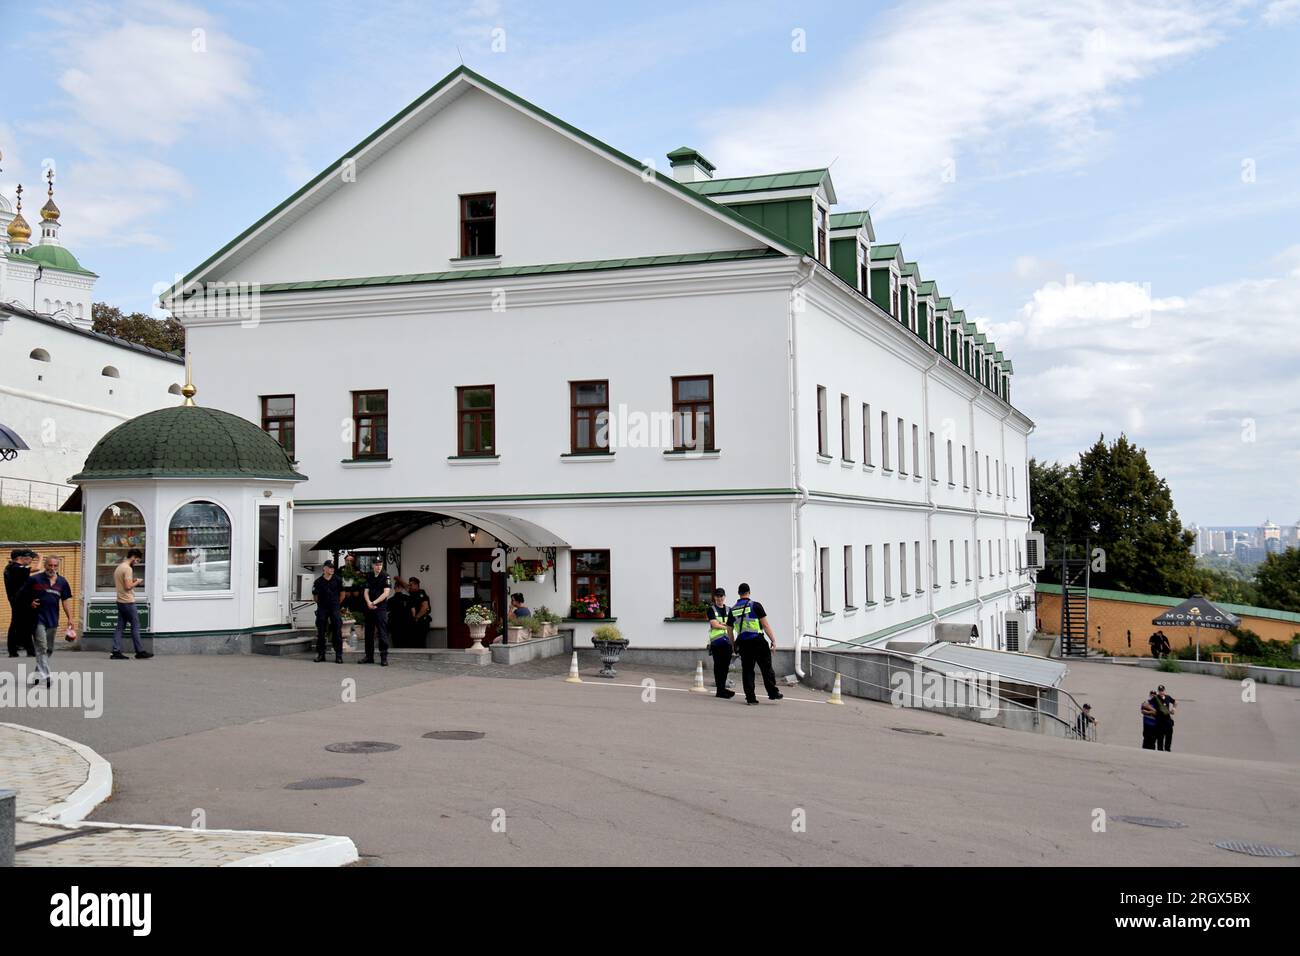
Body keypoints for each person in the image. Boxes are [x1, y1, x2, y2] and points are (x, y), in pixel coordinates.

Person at [18, 555, 75, 688]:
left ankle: (38, 674)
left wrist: (70, 618)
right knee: (42, 647)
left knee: (48, 649)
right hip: (37, 619)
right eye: (50, 565)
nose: (52, 568)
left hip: (53, 620)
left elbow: (65, 600)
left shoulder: (62, 582)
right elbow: (21, 595)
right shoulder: (34, 579)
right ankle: (47, 676)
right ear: (45, 565)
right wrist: (30, 602)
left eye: (55, 566)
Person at [728, 583, 783, 705]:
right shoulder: (756, 606)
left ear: (739, 593)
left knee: (747, 670)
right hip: (758, 641)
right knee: (766, 668)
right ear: (749, 592)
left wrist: (733, 644)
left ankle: (751, 698)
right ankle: (773, 693)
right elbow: (765, 625)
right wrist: (773, 640)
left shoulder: (733, 610)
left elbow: (729, 629)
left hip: (743, 643)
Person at [110, 548, 152, 660]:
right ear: (133, 557)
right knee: (135, 625)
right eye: (137, 560)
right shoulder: (127, 569)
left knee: (120, 627)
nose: (137, 562)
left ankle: (116, 650)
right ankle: (140, 651)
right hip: (128, 601)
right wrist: (137, 582)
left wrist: (131, 581)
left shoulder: (119, 567)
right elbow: (128, 587)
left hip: (120, 601)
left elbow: (124, 583)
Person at [360, 557, 392, 666]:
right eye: (376, 564)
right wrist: (369, 602)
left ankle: (384, 657)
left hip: (380, 608)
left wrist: (374, 603)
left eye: (380, 564)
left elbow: (386, 593)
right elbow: (366, 591)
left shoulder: (385, 576)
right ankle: (369, 656)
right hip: (369, 608)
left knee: (382, 633)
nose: (378, 566)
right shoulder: (369, 575)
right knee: (368, 633)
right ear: (373, 565)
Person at [5, 548, 36, 658]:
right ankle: (15, 650)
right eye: (30, 558)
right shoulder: (15, 568)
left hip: (19, 600)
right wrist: (41, 558)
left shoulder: (11, 567)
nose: (31, 560)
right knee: (18, 625)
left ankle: (28, 650)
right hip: (19, 601)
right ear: (20, 558)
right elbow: (37, 569)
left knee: (23, 625)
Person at [312, 560, 344, 663]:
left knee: (337, 631)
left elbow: (342, 594)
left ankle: (338, 655)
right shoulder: (318, 582)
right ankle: (321, 654)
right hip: (322, 608)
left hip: (334, 607)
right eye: (330, 568)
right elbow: (315, 596)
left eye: (333, 568)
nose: (332, 569)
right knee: (321, 631)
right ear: (324, 569)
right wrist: (322, 604)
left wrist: (336, 604)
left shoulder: (338, 580)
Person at [705, 587, 735, 699]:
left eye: (721, 596)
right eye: (717, 596)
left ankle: (722, 689)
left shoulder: (729, 609)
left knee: (725, 667)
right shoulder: (711, 609)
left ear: (724, 597)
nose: (719, 598)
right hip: (717, 643)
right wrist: (726, 625)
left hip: (727, 643)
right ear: (714, 597)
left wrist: (721, 624)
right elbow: (714, 624)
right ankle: (720, 691)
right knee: (718, 667)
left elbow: (733, 624)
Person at [1152, 684, 1177, 752]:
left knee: (1169, 736)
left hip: (1168, 720)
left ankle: (1167, 749)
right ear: (1158, 691)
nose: (1161, 692)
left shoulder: (1168, 697)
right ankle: (1160, 751)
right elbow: (1149, 703)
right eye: (1160, 691)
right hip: (1160, 721)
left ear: (1164, 690)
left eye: (1162, 690)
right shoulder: (1155, 698)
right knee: (1160, 738)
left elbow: (1175, 702)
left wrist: (1174, 709)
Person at [388, 577, 411, 648]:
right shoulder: (407, 598)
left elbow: (386, 611)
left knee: (396, 643)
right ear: (401, 588)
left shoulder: (390, 600)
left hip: (394, 624)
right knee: (405, 643)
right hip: (405, 623)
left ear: (394, 588)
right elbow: (412, 611)